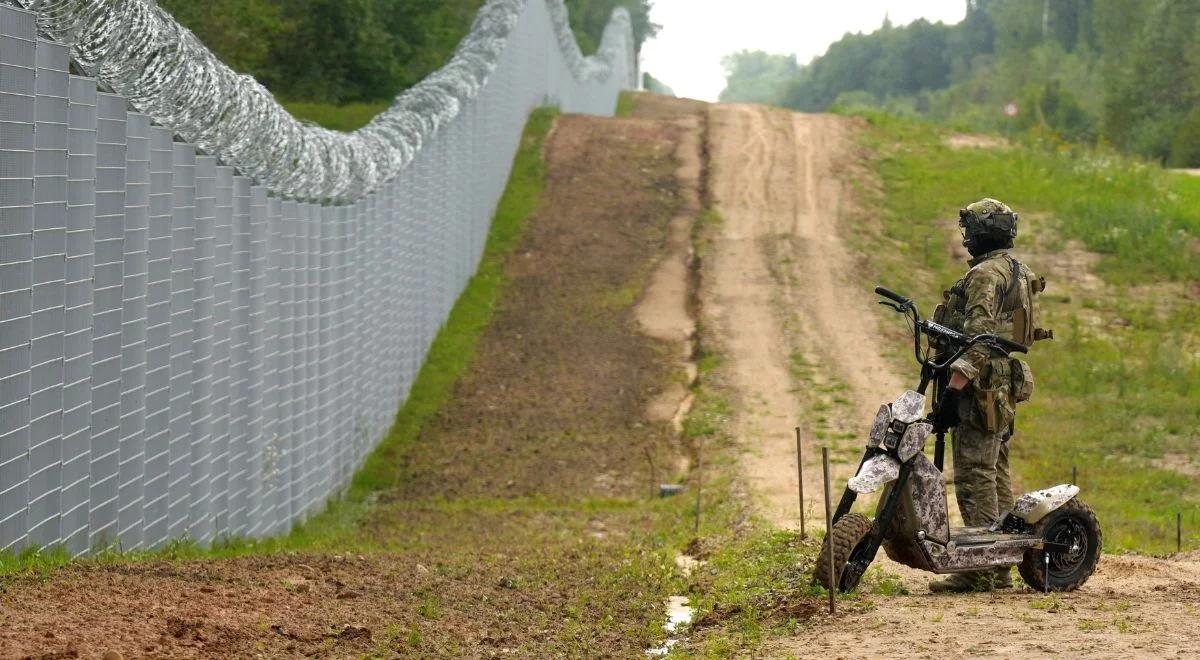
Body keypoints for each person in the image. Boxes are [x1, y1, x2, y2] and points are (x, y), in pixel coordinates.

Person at [929, 198, 1045, 593]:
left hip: (979, 387)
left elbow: (977, 337)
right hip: (1001, 385)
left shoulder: (985, 274)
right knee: (995, 475)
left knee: (975, 475)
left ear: (982, 233)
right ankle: (999, 565)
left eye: (970, 230)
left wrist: (953, 388)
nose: (966, 238)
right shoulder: (1018, 270)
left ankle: (980, 568)